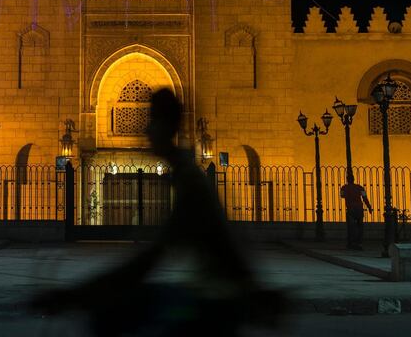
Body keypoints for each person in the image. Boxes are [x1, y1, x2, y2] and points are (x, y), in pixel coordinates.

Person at [29, 88, 285, 336]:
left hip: (219, 301)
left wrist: (77, 295)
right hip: (216, 293)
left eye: (152, 119)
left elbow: (147, 260)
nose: (146, 128)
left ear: (167, 126)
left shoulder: (190, 181)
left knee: (119, 312)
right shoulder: (185, 173)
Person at [340, 172, 373, 250]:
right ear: (354, 179)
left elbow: (342, 196)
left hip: (350, 208)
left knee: (350, 226)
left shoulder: (344, 187)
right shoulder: (360, 187)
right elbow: (364, 197)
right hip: (359, 208)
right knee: (360, 225)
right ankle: (359, 242)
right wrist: (369, 207)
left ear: (347, 180)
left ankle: (351, 242)